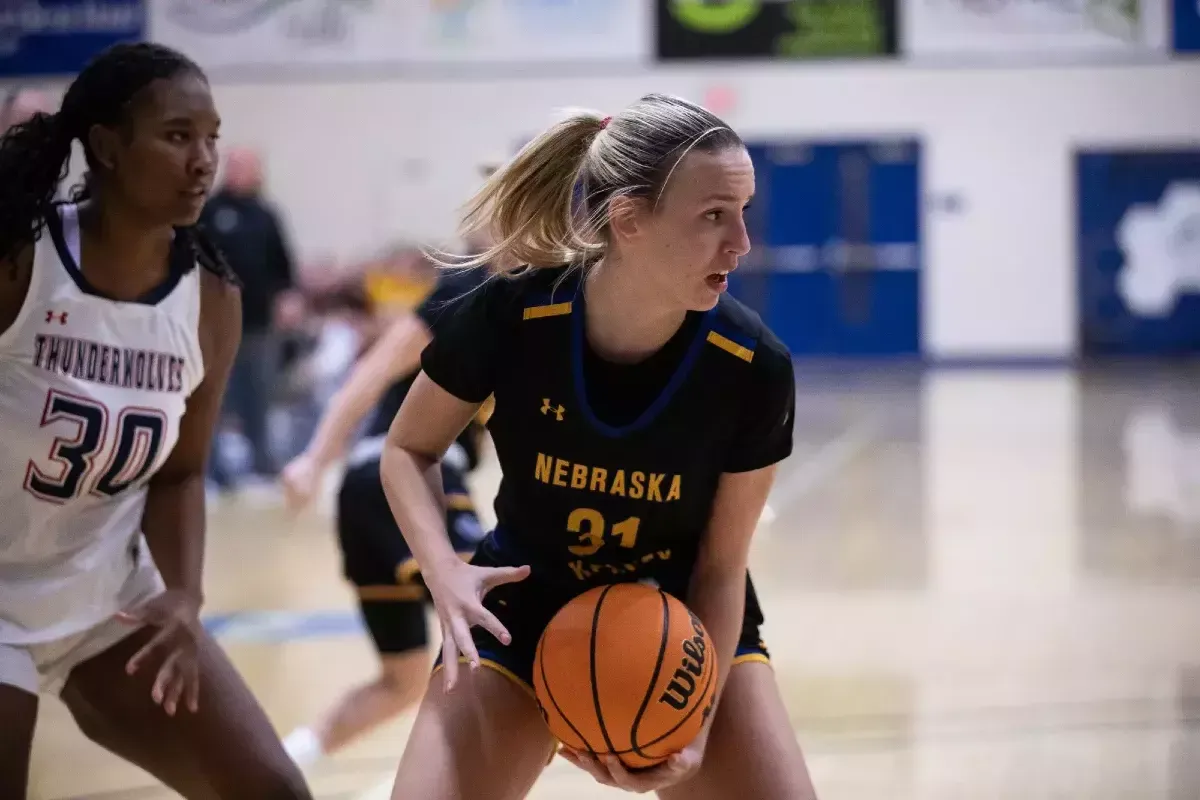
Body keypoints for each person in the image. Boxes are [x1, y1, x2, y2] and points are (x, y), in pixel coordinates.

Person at [379, 93, 818, 799]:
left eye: (744, 211)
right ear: (629, 219)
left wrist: (697, 724)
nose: (742, 242)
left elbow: (720, 567)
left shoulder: (752, 366)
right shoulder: (515, 312)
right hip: (523, 605)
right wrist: (444, 570)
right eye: (714, 215)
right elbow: (408, 449)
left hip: (682, 615)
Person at [0, 43, 310, 799]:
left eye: (211, 137)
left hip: (104, 596)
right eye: (177, 136)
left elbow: (181, 471)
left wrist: (185, 594)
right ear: (107, 146)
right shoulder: (21, 261)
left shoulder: (211, 299)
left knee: (274, 791)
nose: (203, 160)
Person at [276, 166, 502, 766]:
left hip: (364, 495)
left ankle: (279, 764)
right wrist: (312, 459)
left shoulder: (527, 302)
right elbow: (371, 373)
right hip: (406, 480)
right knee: (502, 628)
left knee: (401, 679)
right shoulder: (466, 290)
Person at [201, 146, 299, 490]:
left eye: (248, 166)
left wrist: (288, 298)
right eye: (236, 165)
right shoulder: (209, 211)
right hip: (214, 323)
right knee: (213, 397)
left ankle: (261, 467)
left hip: (258, 323)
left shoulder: (266, 215)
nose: (241, 172)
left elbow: (283, 264)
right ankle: (211, 471)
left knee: (259, 396)